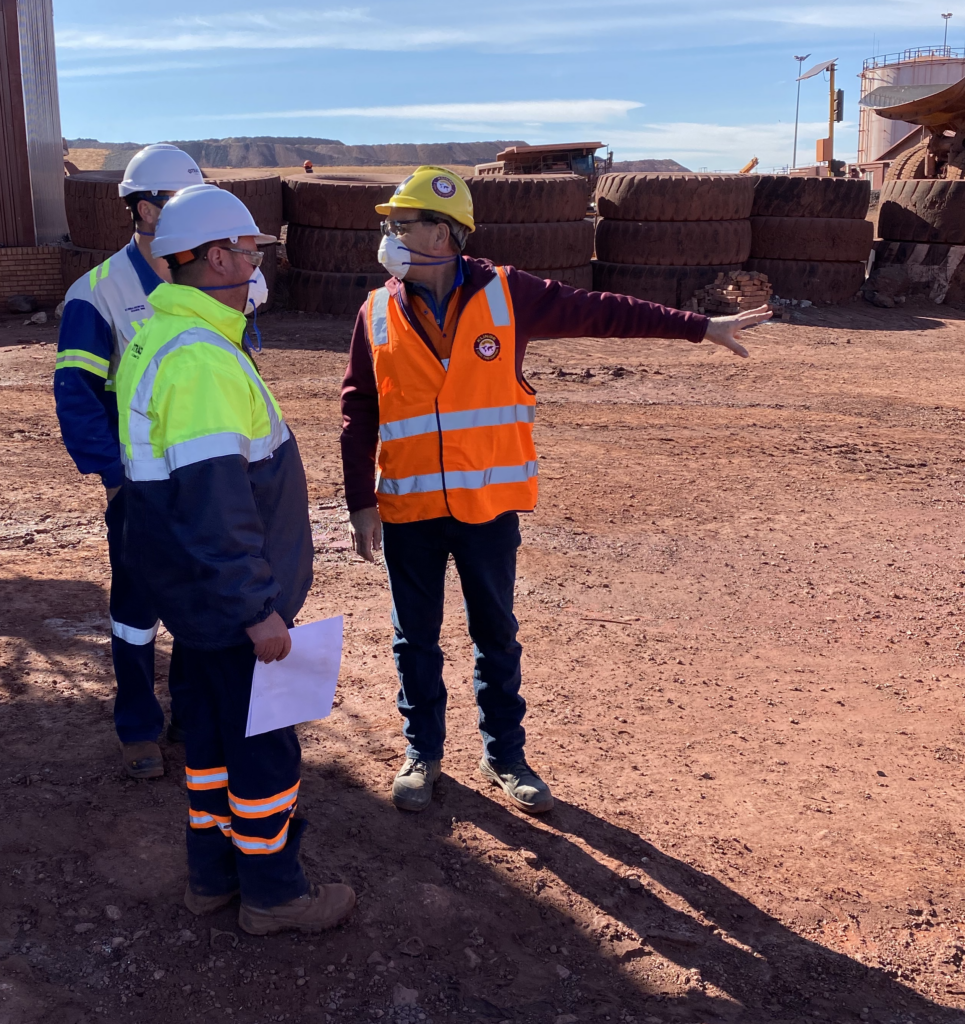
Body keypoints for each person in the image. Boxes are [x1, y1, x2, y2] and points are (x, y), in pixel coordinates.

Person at [341, 165, 770, 814]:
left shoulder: (508, 295)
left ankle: (505, 757)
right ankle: (421, 753)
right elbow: (359, 409)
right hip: (410, 510)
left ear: (445, 234)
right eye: (390, 225)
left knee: (494, 636)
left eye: (404, 224)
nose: (391, 236)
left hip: (487, 509)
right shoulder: (375, 311)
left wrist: (698, 327)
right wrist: (360, 501)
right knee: (414, 641)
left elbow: (602, 313)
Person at [114, 183, 355, 935]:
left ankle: (212, 878)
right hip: (233, 608)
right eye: (251, 251)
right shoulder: (202, 361)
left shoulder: (165, 337)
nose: (257, 266)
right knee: (262, 758)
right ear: (217, 255)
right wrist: (258, 609)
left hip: (195, 604)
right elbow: (216, 503)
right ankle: (276, 895)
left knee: (213, 749)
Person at [54, 144, 204, 779]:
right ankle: (139, 727)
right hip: (138, 490)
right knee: (137, 610)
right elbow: (76, 394)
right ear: (144, 209)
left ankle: (192, 716)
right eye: (178, 205)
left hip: (204, 480)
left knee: (204, 602)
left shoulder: (209, 283)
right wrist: (113, 479)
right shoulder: (97, 294)